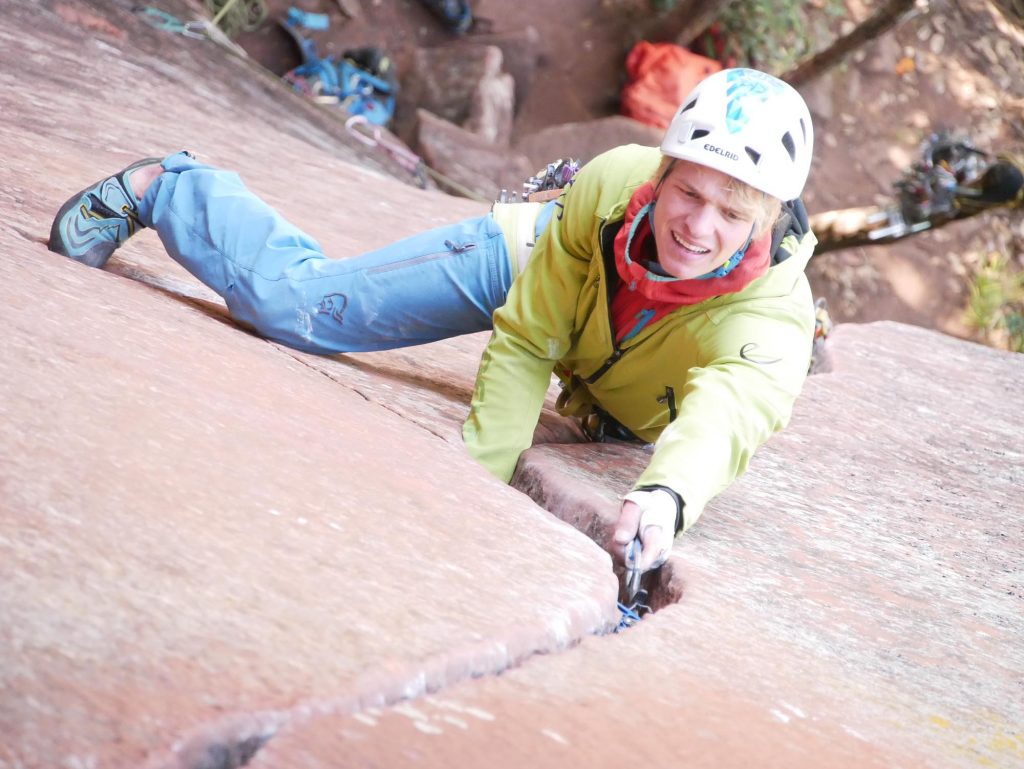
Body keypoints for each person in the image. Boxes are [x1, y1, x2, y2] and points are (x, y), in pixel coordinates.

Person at [47, 68, 816, 590]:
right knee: (297, 309)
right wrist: (470, 497)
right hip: (526, 262)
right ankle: (171, 188)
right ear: (660, 175)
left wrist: (665, 499)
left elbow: (728, 415)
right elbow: (527, 337)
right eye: (688, 193)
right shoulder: (616, 183)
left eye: (732, 210)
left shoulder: (770, 318)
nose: (697, 225)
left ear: (768, 217)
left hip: (610, 372)